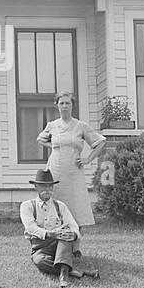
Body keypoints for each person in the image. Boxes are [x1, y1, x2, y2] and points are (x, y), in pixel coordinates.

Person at [36, 91, 107, 232]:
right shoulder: (52, 125)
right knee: (54, 202)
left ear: (72, 105)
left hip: (74, 170)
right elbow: (40, 139)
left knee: (75, 205)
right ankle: (55, 242)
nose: (64, 106)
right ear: (57, 106)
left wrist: (87, 159)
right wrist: (54, 147)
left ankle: (75, 244)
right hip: (55, 168)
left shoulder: (81, 126)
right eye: (61, 103)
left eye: (67, 103)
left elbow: (101, 142)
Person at [21, 169, 100, 288]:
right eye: (43, 186)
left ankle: (63, 276)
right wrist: (50, 234)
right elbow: (31, 228)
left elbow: (73, 225)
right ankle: (79, 272)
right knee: (40, 262)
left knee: (66, 233)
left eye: (50, 186)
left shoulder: (60, 206)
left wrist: (73, 235)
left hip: (61, 245)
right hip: (40, 246)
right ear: (36, 186)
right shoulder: (27, 206)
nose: (47, 189)